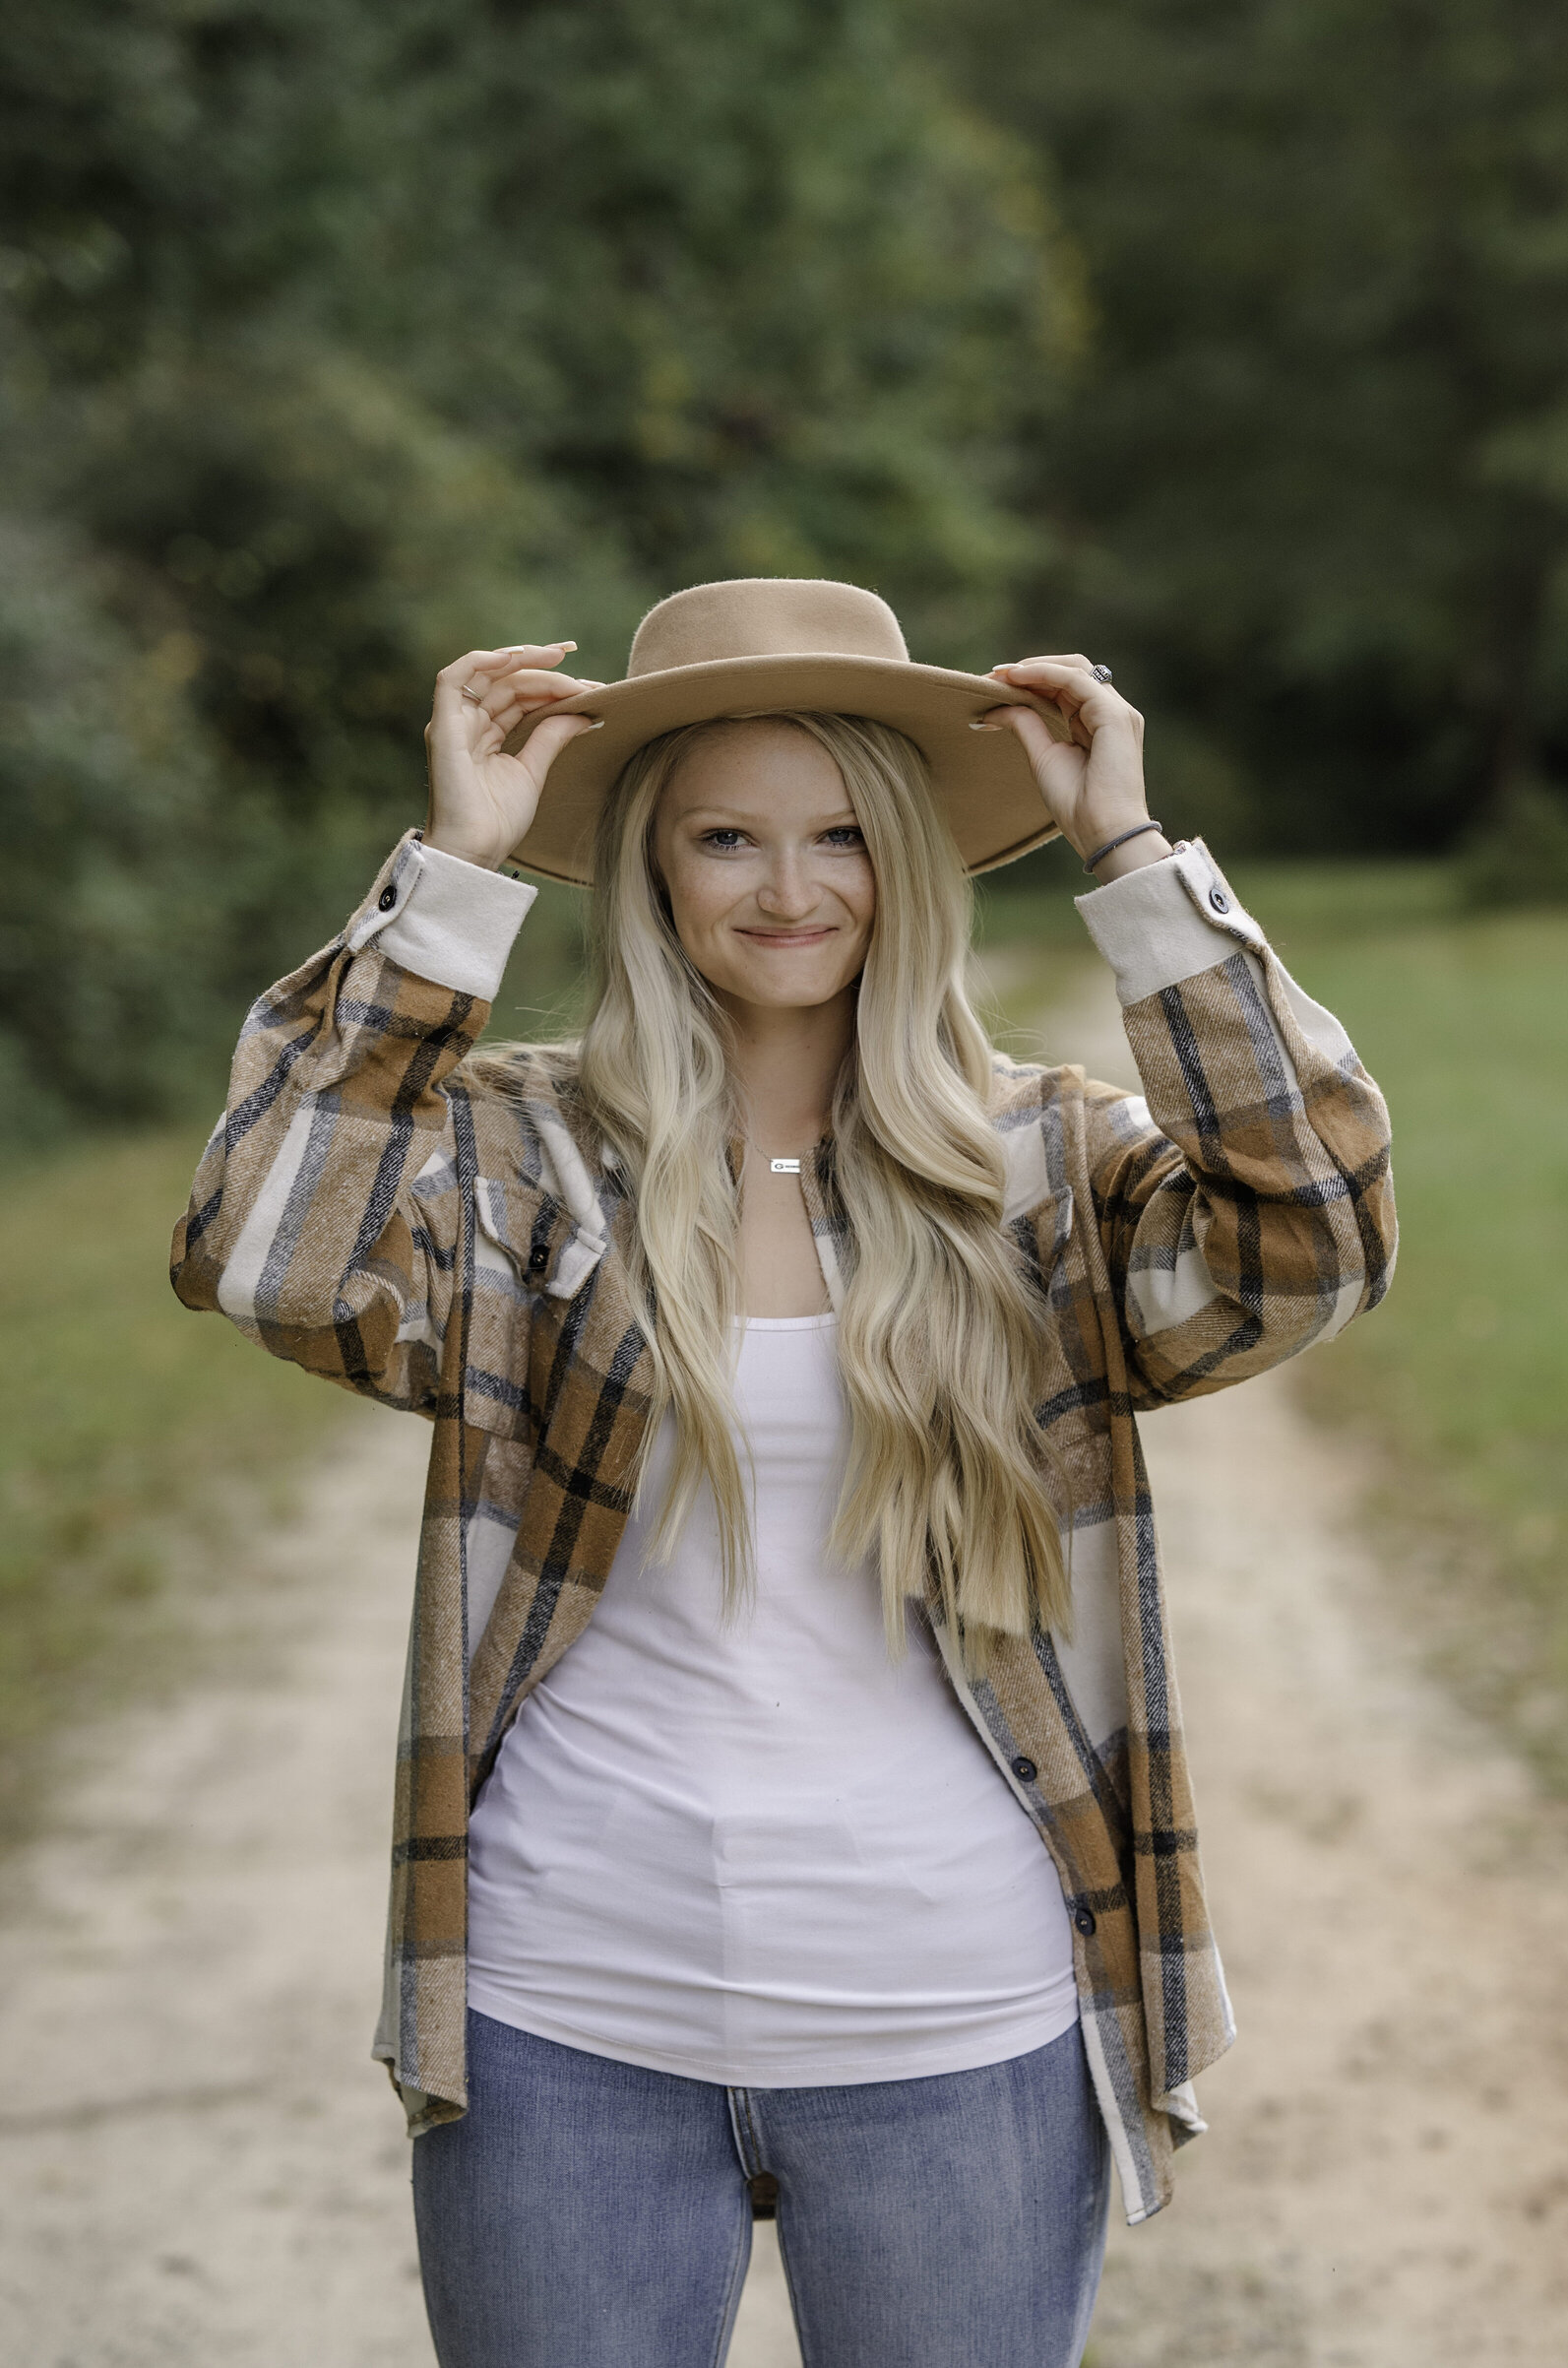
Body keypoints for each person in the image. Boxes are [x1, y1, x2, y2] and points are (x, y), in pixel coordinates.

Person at [172, 578, 1396, 2368]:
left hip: (950, 2016)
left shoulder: (1040, 1166)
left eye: (838, 835)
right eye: (725, 837)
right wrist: (449, 877)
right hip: (562, 2009)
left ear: (905, 856)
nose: (789, 887)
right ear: (655, 869)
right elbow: (268, 1253)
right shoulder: (526, 1156)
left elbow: (1322, 1237)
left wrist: (1131, 859)